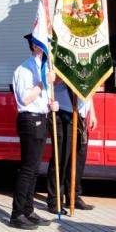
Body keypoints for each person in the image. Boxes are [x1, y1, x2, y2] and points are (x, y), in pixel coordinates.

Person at [9, 33, 57, 230]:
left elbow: (40, 99)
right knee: (28, 169)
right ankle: (17, 214)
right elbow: (25, 99)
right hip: (29, 120)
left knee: (35, 169)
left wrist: (51, 105)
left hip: (41, 119)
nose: (49, 49)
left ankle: (28, 210)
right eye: (46, 46)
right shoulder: (24, 69)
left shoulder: (41, 69)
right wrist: (43, 83)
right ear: (36, 47)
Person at [46, 81, 96, 214]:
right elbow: (52, 81)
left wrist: (92, 112)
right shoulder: (58, 66)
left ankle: (73, 197)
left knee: (79, 159)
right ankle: (55, 200)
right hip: (63, 113)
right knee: (61, 158)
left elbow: (90, 88)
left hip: (80, 116)